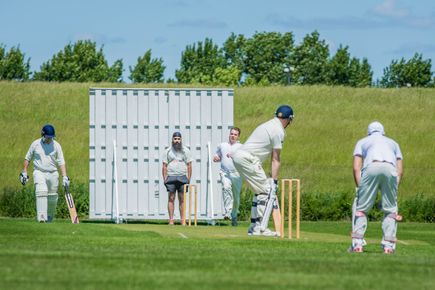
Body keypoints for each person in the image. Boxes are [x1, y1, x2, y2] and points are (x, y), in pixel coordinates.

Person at [232, 105, 294, 236]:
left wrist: (272, 178)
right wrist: (275, 182)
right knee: (267, 190)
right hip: (249, 159)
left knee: (259, 191)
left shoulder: (269, 124)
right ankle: (261, 228)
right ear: (289, 119)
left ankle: (254, 225)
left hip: (239, 156)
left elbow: (272, 156)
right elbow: (276, 159)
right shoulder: (278, 131)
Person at [350, 121, 403, 254]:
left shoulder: (362, 141)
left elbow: (356, 167)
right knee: (391, 210)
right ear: (383, 131)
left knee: (361, 208)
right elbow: (400, 171)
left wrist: (361, 189)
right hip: (390, 169)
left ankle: (357, 244)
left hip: (371, 167)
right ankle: (388, 246)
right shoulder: (393, 143)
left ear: (369, 131)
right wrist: (393, 190)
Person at [20, 124, 70, 223]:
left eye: (51, 137)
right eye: (48, 137)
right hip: (39, 171)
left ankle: (49, 218)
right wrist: (24, 172)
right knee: (41, 191)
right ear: (43, 135)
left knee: (52, 195)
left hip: (53, 173)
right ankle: (41, 218)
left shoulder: (56, 145)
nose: (49, 139)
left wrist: (65, 176)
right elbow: (28, 158)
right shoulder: (35, 144)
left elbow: (61, 161)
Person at [213, 127, 243, 226]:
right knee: (226, 188)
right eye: (231, 134)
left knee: (236, 197)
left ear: (238, 136)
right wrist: (216, 157)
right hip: (225, 172)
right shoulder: (222, 145)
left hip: (236, 174)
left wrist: (235, 156)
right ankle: (228, 212)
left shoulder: (241, 147)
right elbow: (216, 156)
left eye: (235, 134)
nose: (232, 136)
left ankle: (234, 215)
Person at [162, 132, 193, 225]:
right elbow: (164, 166)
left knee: (182, 199)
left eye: (178, 139)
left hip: (182, 177)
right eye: (175, 139)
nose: (177, 141)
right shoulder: (167, 151)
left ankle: (183, 220)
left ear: (181, 140)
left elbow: (189, 165)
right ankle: (171, 220)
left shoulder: (186, 151)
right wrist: (165, 179)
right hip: (171, 176)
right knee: (171, 198)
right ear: (172, 140)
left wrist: (188, 179)